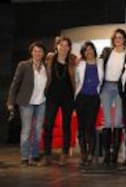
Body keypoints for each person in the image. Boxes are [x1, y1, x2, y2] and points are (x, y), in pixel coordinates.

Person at [7, 42, 47, 167]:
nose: (38, 53)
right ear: (31, 52)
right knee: (26, 130)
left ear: (43, 53)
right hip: (26, 103)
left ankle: (34, 156)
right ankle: (25, 157)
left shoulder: (46, 66)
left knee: (38, 130)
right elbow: (15, 84)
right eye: (35, 51)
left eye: (40, 51)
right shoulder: (24, 65)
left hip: (41, 102)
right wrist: (10, 101)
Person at [43, 36, 77, 166]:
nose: (64, 48)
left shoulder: (73, 60)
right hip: (52, 96)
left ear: (69, 47)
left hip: (68, 97)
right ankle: (47, 154)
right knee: (48, 125)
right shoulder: (50, 58)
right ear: (57, 46)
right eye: (61, 45)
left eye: (66, 45)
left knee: (66, 126)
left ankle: (64, 154)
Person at [100, 28, 126, 166]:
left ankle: (115, 154)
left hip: (119, 88)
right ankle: (106, 154)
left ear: (124, 39)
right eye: (116, 37)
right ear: (113, 40)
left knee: (117, 122)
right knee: (107, 122)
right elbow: (98, 64)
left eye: (120, 37)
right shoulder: (106, 52)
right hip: (106, 88)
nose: (118, 40)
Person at [74, 41, 104, 167]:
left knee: (90, 126)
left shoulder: (101, 62)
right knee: (81, 127)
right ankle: (83, 153)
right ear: (83, 52)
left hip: (94, 98)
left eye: (90, 49)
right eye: (86, 50)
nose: (88, 51)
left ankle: (91, 153)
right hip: (81, 98)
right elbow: (75, 80)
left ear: (94, 50)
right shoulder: (79, 64)